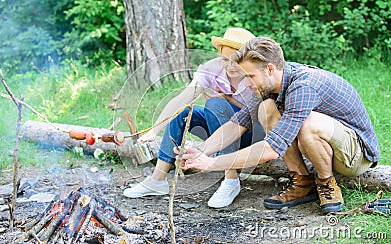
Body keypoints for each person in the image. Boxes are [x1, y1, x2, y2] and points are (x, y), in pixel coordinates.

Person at [180, 36, 380, 214]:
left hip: (355, 155)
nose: (246, 83)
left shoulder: (303, 86)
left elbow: (271, 148)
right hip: (323, 146)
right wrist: (201, 152)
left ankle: (327, 183)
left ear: (269, 69)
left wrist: (213, 163)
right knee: (266, 108)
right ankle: (302, 181)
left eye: (250, 76)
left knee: (309, 123)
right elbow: (236, 125)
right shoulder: (271, 82)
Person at [123, 28, 265, 208]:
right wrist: (154, 129)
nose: (230, 67)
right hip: (219, 132)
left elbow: (255, 114)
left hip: (252, 133)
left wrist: (228, 99)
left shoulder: (256, 74)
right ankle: (157, 180)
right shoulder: (212, 69)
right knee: (183, 111)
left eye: (236, 62)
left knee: (216, 105)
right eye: (225, 60)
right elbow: (182, 98)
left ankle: (231, 180)